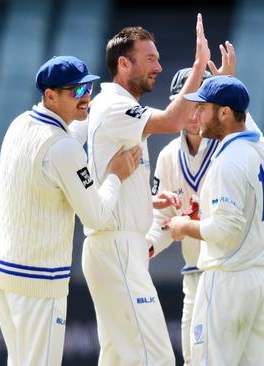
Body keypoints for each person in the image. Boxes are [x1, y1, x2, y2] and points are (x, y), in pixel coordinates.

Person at [0, 56, 141, 366]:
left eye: (88, 86)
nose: (85, 96)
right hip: (39, 281)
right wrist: (115, 175)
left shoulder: (20, 124)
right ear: (50, 96)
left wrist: (90, 112)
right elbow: (97, 215)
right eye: (76, 91)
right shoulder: (62, 148)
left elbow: (62, 146)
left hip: (4, 270)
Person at [81, 15, 211, 366]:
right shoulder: (117, 105)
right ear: (124, 63)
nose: (159, 66)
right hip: (118, 248)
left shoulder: (113, 106)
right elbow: (172, 121)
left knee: (118, 356)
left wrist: (143, 199)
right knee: (156, 358)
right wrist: (200, 65)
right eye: (150, 59)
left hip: (114, 245)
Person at [146, 42, 262, 365]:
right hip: (193, 278)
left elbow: (256, 144)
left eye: (201, 105)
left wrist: (230, 90)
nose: (194, 114)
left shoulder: (229, 146)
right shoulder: (169, 156)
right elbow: (165, 222)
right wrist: (144, 249)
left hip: (228, 274)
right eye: (187, 105)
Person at [166, 76, 264, 365]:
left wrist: (183, 226)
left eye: (203, 108)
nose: (195, 115)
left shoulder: (227, 161)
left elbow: (226, 230)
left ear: (225, 113)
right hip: (262, 278)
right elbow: (251, 130)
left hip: (228, 280)